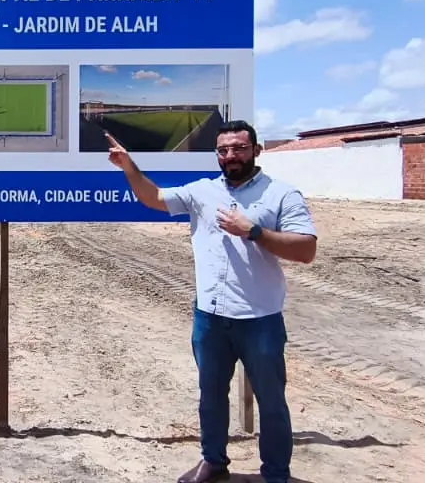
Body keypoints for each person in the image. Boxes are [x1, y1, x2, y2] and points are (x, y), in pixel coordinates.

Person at [106, 120, 317, 483]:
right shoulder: (202, 191)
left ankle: (276, 474)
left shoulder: (281, 194)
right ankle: (213, 461)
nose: (231, 155)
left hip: (260, 319)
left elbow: (306, 249)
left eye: (239, 148)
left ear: (256, 150)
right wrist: (129, 167)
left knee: (271, 402)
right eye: (224, 150)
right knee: (211, 396)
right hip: (210, 317)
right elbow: (154, 198)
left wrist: (253, 231)